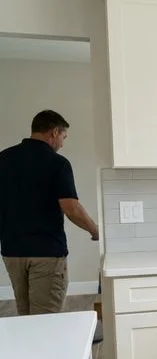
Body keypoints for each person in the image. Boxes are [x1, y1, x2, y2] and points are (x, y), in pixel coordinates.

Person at [0, 110, 99, 316]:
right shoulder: (57, 163)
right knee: (46, 318)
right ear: (54, 132)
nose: (62, 144)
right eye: (63, 137)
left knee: (25, 315)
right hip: (46, 252)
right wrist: (95, 230)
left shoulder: (4, 158)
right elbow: (71, 208)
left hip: (12, 251)